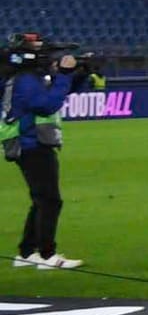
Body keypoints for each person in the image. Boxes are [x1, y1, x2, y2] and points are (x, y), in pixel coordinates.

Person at [5, 39, 85, 269]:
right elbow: (47, 104)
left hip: (29, 143)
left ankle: (27, 252)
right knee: (50, 201)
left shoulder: (25, 78)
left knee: (40, 200)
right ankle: (47, 256)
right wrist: (63, 75)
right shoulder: (28, 80)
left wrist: (74, 76)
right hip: (32, 144)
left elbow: (57, 94)